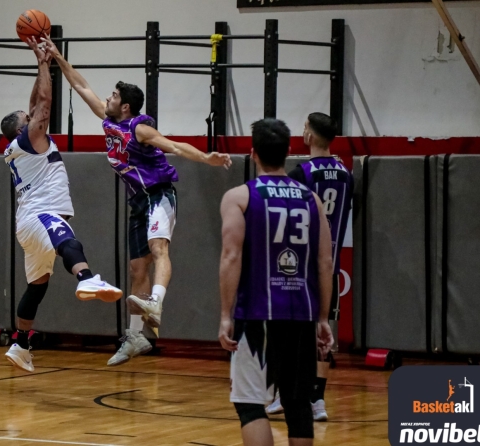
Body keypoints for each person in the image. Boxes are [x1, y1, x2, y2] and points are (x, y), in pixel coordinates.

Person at [44, 37, 232, 365]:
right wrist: (57, 56)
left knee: (159, 250)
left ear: (126, 107)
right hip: (138, 202)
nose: (107, 98)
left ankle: (156, 302)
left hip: (159, 194)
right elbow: (81, 85)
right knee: (136, 268)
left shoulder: (139, 128)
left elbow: (174, 146)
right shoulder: (108, 121)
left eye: (114, 96)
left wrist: (206, 158)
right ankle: (135, 337)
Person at [2, 38, 122, 372]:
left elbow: (34, 103)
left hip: (27, 223)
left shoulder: (20, 145)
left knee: (37, 286)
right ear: (24, 127)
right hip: (41, 214)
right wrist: (46, 65)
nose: (34, 116)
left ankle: (20, 344)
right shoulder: (31, 137)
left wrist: (39, 61)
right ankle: (86, 278)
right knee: (69, 241)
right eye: (29, 118)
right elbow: (43, 103)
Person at [218, 118, 334, 446]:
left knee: (249, 403)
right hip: (302, 314)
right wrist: (323, 318)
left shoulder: (240, 197)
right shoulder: (312, 199)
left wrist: (226, 315)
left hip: (258, 314)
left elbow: (231, 257)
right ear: (289, 151)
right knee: (298, 403)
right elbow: (325, 262)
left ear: (253, 153)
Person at [267, 112, 354, 421]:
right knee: (323, 332)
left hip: (301, 267)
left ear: (310, 136)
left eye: (304, 127)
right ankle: (317, 400)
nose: (302, 132)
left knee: (290, 333)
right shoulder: (346, 174)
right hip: (331, 266)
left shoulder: (301, 173)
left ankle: (285, 393)